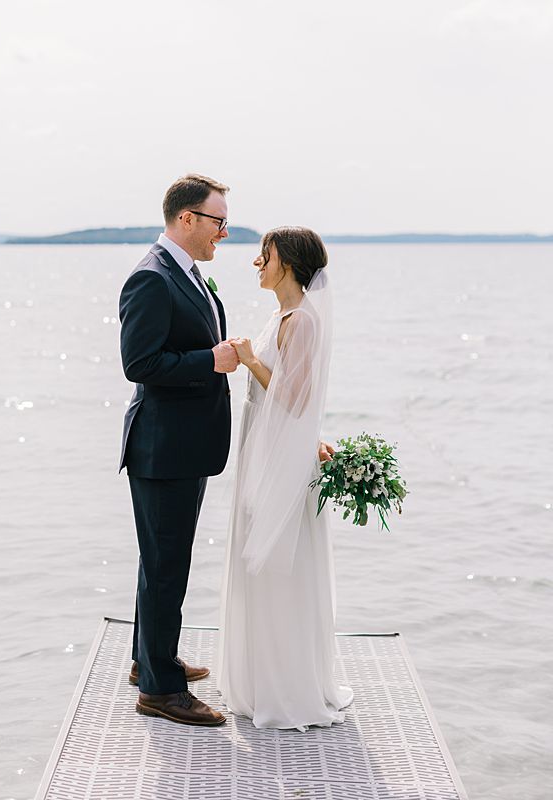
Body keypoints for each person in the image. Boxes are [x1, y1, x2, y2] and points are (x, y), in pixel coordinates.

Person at [218, 227, 354, 731]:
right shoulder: (283, 316)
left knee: (276, 569)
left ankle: (285, 685)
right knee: (258, 566)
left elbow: (294, 400)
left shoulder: (304, 321)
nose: (257, 262)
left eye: (266, 255)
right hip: (267, 448)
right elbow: (301, 405)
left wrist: (250, 360)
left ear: (290, 264)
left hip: (276, 456)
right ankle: (258, 678)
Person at [119, 173, 238, 727]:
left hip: (181, 447)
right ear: (185, 219)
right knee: (167, 565)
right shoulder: (151, 278)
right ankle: (161, 692)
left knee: (160, 561)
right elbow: (139, 365)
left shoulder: (186, 274)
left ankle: (150, 662)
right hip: (163, 449)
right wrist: (209, 361)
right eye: (218, 222)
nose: (225, 233)